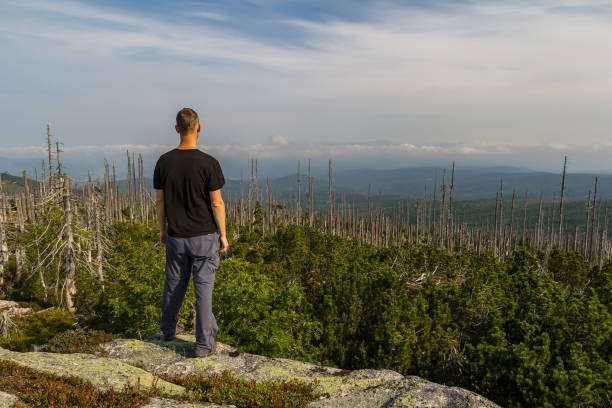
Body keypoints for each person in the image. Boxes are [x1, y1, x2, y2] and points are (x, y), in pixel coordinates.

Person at [153, 107, 228, 357]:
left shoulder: (164, 162)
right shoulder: (209, 163)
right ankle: (203, 345)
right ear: (199, 127)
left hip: (176, 237)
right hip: (204, 237)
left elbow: (160, 202)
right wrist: (223, 235)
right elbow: (217, 203)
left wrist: (163, 229)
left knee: (173, 284)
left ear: (176, 129)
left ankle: (167, 330)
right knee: (203, 290)